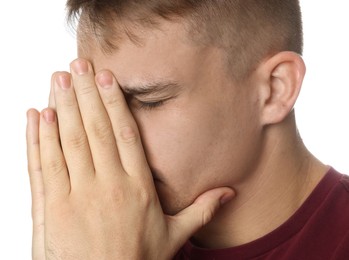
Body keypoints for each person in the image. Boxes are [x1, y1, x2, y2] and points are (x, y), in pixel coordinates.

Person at [26, 0, 349, 259]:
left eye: (150, 101)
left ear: (275, 89)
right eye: (97, 100)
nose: (109, 132)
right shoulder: (91, 241)